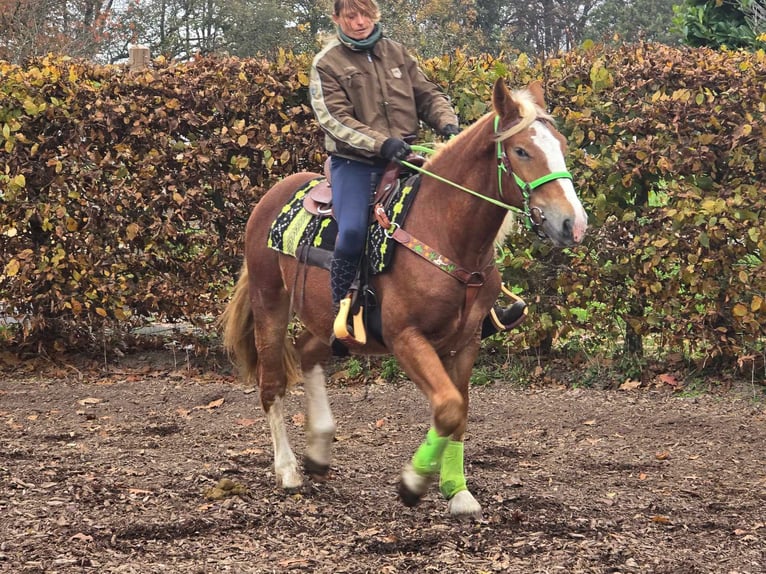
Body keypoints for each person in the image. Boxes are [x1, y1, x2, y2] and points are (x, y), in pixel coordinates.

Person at [309, 0, 524, 342]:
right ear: (337, 18)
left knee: (465, 215)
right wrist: (382, 144)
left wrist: (449, 125)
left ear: (375, 15)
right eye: (351, 15)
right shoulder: (327, 63)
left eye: (366, 14)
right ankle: (344, 311)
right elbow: (333, 119)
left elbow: (428, 95)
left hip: (405, 156)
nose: (360, 22)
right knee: (351, 231)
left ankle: (485, 306)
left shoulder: (397, 52)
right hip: (356, 163)